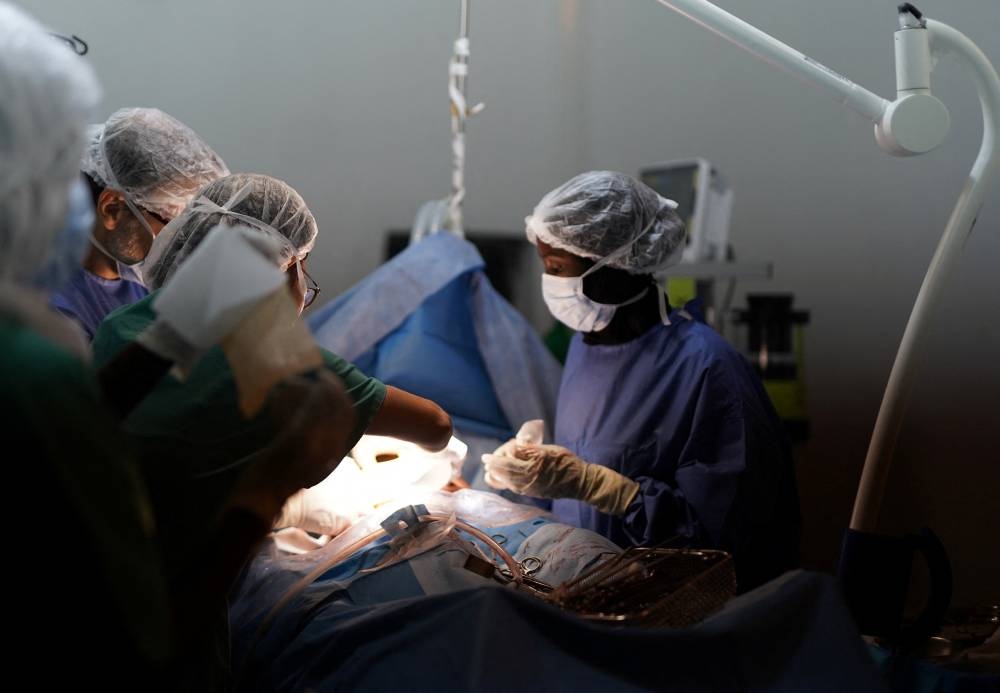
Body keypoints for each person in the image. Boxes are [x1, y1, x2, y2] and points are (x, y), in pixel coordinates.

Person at [0, 5, 358, 688]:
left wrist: (167, 337)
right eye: (56, 169)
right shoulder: (30, 361)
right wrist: (268, 489)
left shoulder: (41, 343)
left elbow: (83, 420)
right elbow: (144, 641)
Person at [92, 172, 453, 577]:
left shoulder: (118, 326)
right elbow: (436, 427)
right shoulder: (287, 365)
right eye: (305, 272)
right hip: (167, 594)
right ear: (284, 267)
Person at [482, 171, 800, 590]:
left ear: (613, 266)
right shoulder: (585, 347)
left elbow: (727, 544)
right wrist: (530, 480)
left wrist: (605, 489)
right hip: (587, 591)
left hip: (666, 606)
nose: (551, 283)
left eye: (557, 267)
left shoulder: (707, 369)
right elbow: (586, 476)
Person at [50, 107, 229, 338]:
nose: (180, 242)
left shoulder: (140, 279)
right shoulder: (54, 308)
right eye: (173, 224)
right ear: (113, 209)